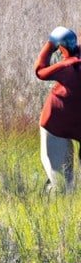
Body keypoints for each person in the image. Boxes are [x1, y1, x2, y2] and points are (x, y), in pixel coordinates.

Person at [34, 26, 81, 192]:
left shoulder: (68, 66)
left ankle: (59, 200)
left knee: (61, 182)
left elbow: (40, 71)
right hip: (58, 125)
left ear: (61, 49)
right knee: (62, 182)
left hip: (56, 123)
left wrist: (50, 44)